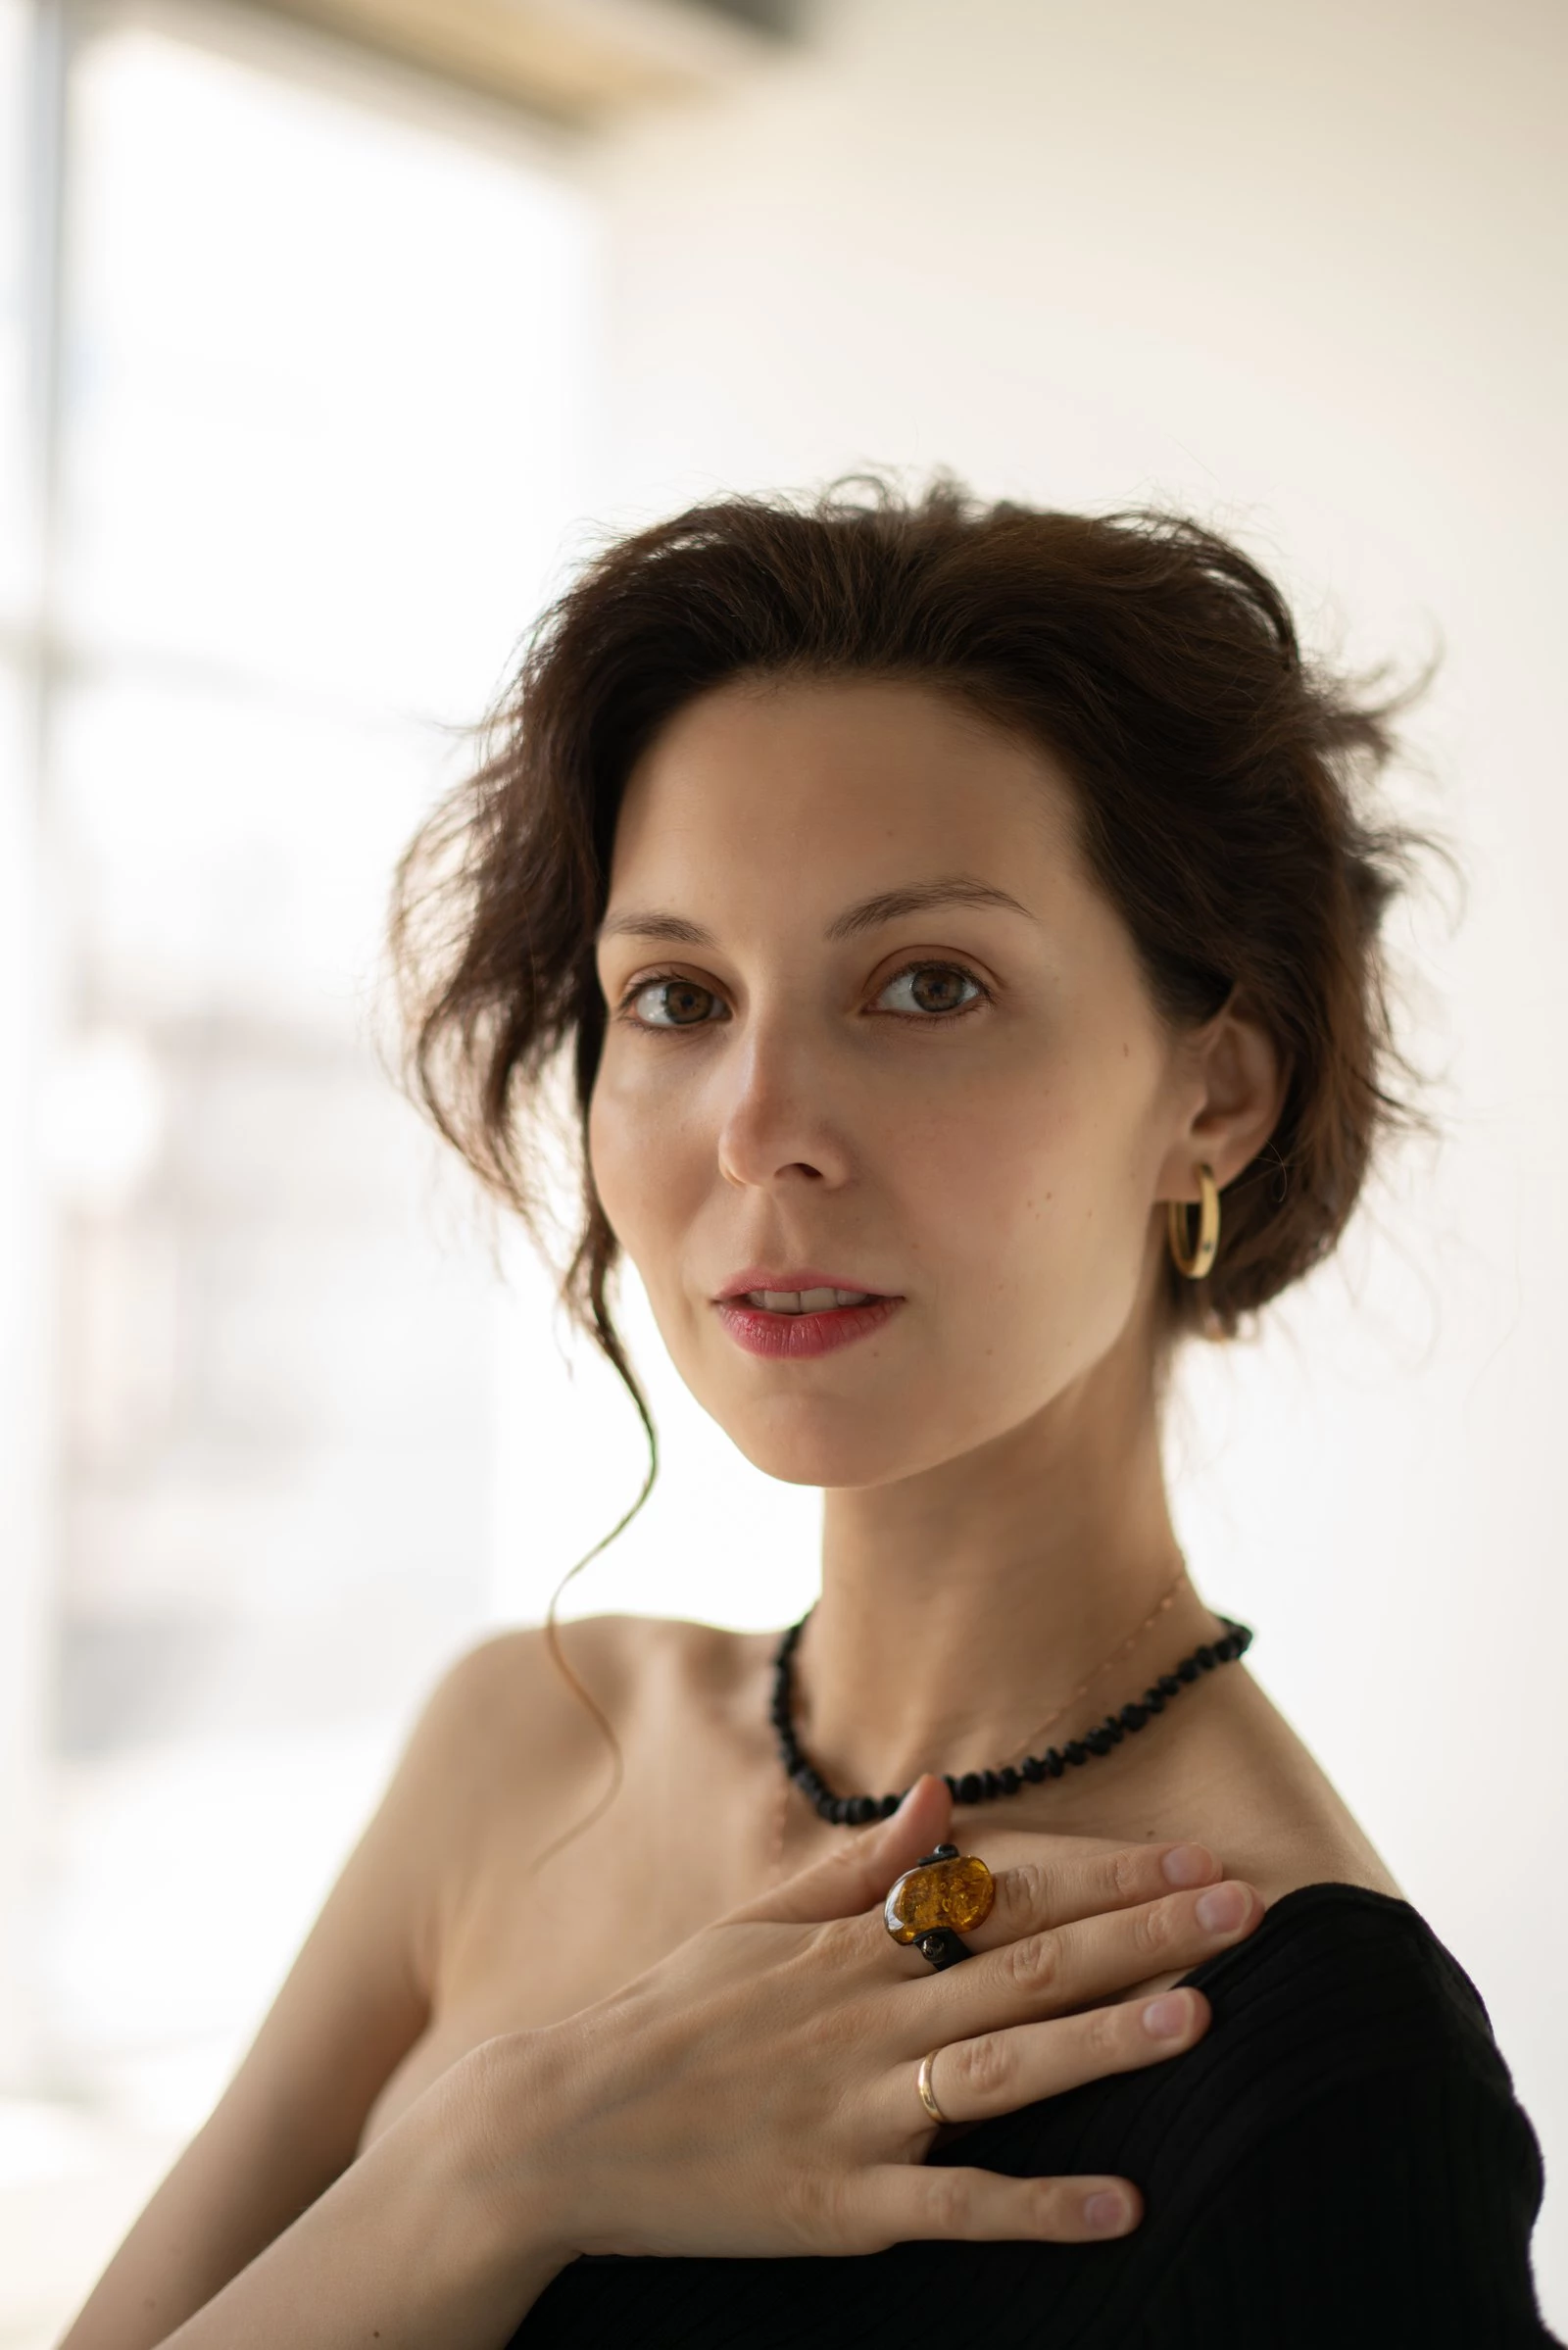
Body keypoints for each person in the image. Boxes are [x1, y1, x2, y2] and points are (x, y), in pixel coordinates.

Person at [59, 475, 1558, 2349]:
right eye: (678, 996)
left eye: (928, 985)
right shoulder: (522, 1747)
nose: (759, 1124)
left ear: (1216, 1096)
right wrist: (488, 2167)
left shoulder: (1316, 2061)